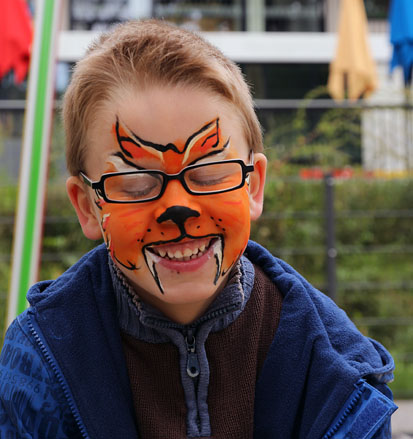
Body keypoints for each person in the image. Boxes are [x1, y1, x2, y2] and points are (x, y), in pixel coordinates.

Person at [0, 19, 397, 439]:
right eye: (136, 185)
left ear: (253, 187)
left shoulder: (334, 374)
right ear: (87, 208)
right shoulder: (42, 363)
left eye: (209, 175)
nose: (178, 210)